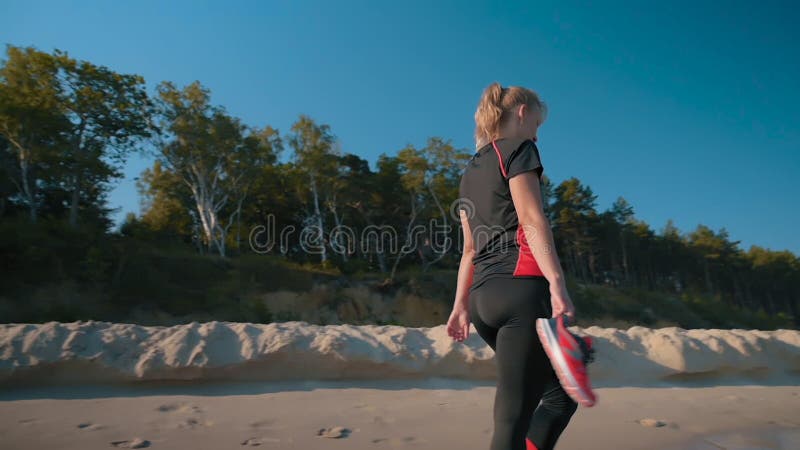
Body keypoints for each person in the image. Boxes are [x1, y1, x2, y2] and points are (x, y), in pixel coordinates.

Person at [446, 82, 595, 450]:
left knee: (560, 397)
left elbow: (468, 250)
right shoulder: (517, 149)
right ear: (522, 114)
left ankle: (569, 351)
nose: (537, 137)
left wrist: (460, 306)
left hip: (483, 301)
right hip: (520, 290)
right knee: (512, 417)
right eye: (537, 127)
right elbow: (531, 219)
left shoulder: (468, 174)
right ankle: (568, 346)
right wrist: (557, 283)